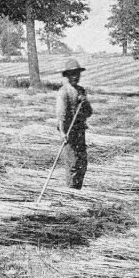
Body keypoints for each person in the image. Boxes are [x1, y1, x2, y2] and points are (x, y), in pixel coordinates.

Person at [54, 59, 93, 189]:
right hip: (69, 133)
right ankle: (70, 192)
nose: (75, 77)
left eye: (77, 74)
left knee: (82, 163)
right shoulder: (63, 92)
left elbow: (89, 113)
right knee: (72, 164)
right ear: (67, 76)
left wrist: (85, 103)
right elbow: (60, 115)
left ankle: (78, 189)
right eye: (72, 74)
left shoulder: (81, 91)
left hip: (80, 132)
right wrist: (62, 133)